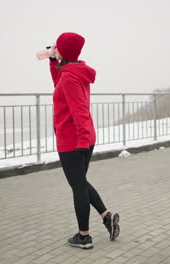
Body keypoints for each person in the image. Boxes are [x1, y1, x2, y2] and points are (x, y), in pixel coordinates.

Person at [48, 32, 120, 249]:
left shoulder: (70, 77)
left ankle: (84, 236)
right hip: (82, 137)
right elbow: (57, 82)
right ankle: (107, 217)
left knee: (78, 187)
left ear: (64, 51)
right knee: (81, 183)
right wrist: (52, 60)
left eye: (57, 47)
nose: (54, 48)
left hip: (73, 141)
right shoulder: (72, 72)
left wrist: (81, 144)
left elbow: (79, 112)